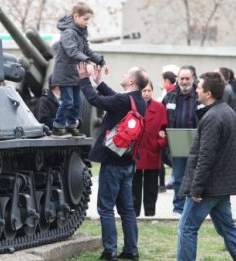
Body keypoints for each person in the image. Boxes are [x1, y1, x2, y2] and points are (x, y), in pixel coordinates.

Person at [177, 72, 236, 261]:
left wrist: (196, 189)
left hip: (208, 188)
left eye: (199, 87)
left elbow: (206, 157)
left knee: (186, 228)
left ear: (208, 93)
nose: (196, 89)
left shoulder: (213, 117)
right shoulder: (227, 112)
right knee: (227, 228)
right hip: (220, 187)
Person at [77, 62, 148, 261]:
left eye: (126, 73)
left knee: (105, 208)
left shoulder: (122, 101)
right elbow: (114, 98)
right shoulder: (139, 101)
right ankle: (131, 250)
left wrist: (84, 79)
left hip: (113, 163)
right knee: (127, 209)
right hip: (128, 163)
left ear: (131, 81)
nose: (123, 75)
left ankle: (110, 250)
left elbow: (95, 100)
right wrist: (99, 81)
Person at [51, 2, 108, 139]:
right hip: (65, 74)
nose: (87, 22)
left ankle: (72, 126)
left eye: (89, 19)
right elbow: (72, 51)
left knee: (77, 102)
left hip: (76, 75)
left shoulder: (81, 32)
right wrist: (87, 62)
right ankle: (58, 127)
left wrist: (100, 61)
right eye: (85, 19)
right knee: (67, 101)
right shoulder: (68, 33)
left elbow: (86, 50)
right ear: (76, 16)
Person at [162, 65, 199, 216]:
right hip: (176, 143)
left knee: (196, 177)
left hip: (197, 143)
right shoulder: (169, 97)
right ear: (177, 79)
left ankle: (193, 208)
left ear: (193, 79)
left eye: (187, 78)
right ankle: (178, 208)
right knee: (178, 178)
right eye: (181, 78)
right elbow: (162, 118)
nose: (184, 81)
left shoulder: (200, 96)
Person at [132, 81, 168, 217]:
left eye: (148, 90)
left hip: (153, 150)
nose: (146, 93)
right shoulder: (133, 106)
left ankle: (150, 213)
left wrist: (160, 142)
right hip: (136, 150)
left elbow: (164, 128)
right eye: (143, 91)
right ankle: (134, 213)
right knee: (135, 185)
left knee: (151, 185)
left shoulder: (159, 108)